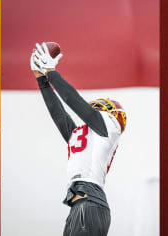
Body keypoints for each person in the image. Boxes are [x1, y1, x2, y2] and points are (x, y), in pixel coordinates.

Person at [30, 42, 127, 236]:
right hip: (80, 204)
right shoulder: (89, 136)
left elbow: (72, 100)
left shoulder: (108, 126)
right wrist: (41, 79)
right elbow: (59, 115)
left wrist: (51, 72)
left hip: (89, 203)